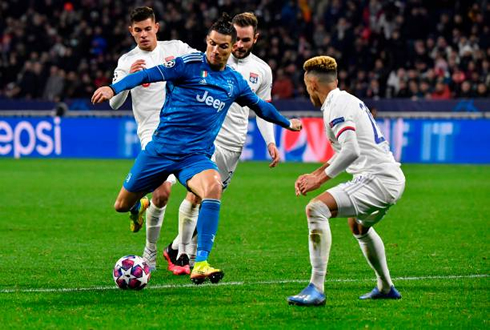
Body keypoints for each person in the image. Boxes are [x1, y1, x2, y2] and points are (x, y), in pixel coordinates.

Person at [91, 13, 302, 285]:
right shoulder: (187, 65)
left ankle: (199, 261)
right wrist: (112, 87)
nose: (216, 50)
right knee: (121, 205)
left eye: (222, 46)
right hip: (161, 150)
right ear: (207, 42)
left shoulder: (234, 81)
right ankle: (136, 208)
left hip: (195, 156)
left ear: (231, 48)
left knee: (213, 187)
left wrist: (287, 123)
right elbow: (146, 74)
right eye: (212, 44)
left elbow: (261, 107)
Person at [162, 12, 280, 276]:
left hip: (234, 144)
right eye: (235, 38)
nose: (238, 44)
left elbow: (262, 109)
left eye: (245, 40)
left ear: (255, 39)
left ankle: (175, 248)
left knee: (211, 200)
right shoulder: (212, 59)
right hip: (205, 139)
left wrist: (270, 142)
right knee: (196, 194)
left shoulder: (261, 71)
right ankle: (185, 256)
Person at [287, 56, 405, 306]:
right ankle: (385, 287)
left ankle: (316, 287)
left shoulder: (336, 105)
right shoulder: (344, 99)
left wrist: (319, 182)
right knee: (359, 227)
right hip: (389, 177)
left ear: (312, 84)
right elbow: (344, 152)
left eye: (306, 85)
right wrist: (315, 174)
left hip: (377, 179)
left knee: (316, 208)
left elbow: (351, 151)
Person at [109, 6, 196, 271]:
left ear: (156, 27)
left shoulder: (177, 49)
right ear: (131, 31)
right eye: (138, 31)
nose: (144, 35)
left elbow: (205, 63)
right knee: (164, 191)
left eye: (148, 29)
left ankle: (142, 205)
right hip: (152, 133)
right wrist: (129, 79)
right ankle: (149, 252)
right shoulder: (127, 61)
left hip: (182, 128)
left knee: (165, 196)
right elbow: (114, 103)